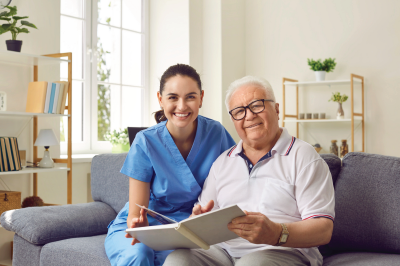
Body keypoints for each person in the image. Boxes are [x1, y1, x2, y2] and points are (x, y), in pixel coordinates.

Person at [164, 76, 335, 266]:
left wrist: (277, 233)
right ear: (233, 119)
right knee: (178, 260)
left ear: (276, 109)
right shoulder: (222, 162)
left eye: (257, 105)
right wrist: (196, 222)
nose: (249, 116)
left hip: (282, 251)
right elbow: (203, 217)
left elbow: (323, 229)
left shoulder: (303, 156)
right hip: (223, 252)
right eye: (239, 111)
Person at [104, 64, 236, 266]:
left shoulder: (216, 133)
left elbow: (235, 181)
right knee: (138, 256)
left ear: (201, 98)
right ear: (160, 99)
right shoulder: (145, 141)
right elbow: (135, 212)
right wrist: (139, 226)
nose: (182, 106)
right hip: (147, 222)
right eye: (173, 97)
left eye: (190, 97)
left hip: (190, 225)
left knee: (180, 260)